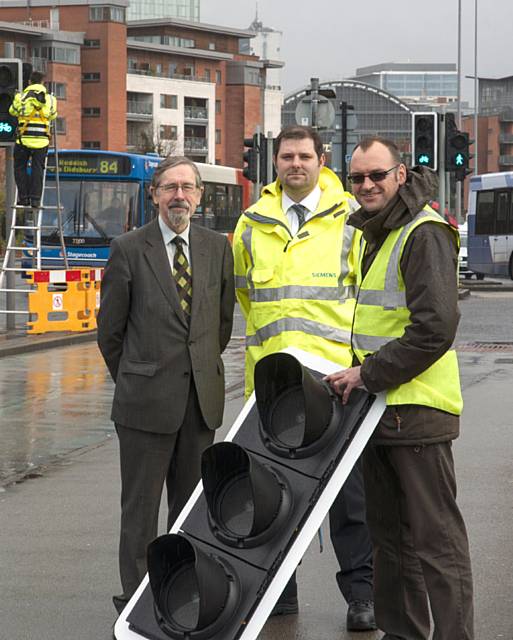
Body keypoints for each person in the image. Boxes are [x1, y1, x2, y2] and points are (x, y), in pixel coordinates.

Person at [325, 137, 474, 640]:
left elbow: (434, 328)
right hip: (380, 413)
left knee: (437, 545)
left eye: (376, 176)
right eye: (357, 178)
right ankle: (402, 632)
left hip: (417, 413)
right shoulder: (379, 232)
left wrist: (366, 374)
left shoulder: (423, 232)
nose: (366, 185)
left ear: (401, 175)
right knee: (390, 543)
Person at [233, 125, 376, 631]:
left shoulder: (352, 220)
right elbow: (247, 296)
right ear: (275, 162)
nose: (295, 164)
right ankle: (280, 595)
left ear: (322, 161)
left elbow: (367, 299)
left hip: (337, 384)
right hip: (271, 391)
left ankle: (363, 596)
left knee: (349, 499)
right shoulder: (251, 223)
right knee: (274, 499)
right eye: (287, 156)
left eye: (304, 156)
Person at [97, 155, 235, 614]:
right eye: (170, 187)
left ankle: (182, 591)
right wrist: (137, 379)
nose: (179, 195)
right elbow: (110, 332)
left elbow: (221, 322)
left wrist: (196, 369)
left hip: (200, 402)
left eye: (188, 187)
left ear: (199, 196)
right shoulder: (128, 248)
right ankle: (136, 599)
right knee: (139, 512)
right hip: (144, 405)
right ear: (154, 194)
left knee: (191, 509)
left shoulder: (217, 247)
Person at [9, 70, 57, 208]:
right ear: (43, 83)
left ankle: (23, 198)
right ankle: (35, 199)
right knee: (38, 169)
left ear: (29, 82)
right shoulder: (51, 99)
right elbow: (53, 115)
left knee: (19, 167)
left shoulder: (21, 97)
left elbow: (12, 111)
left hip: (23, 140)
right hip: (42, 141)